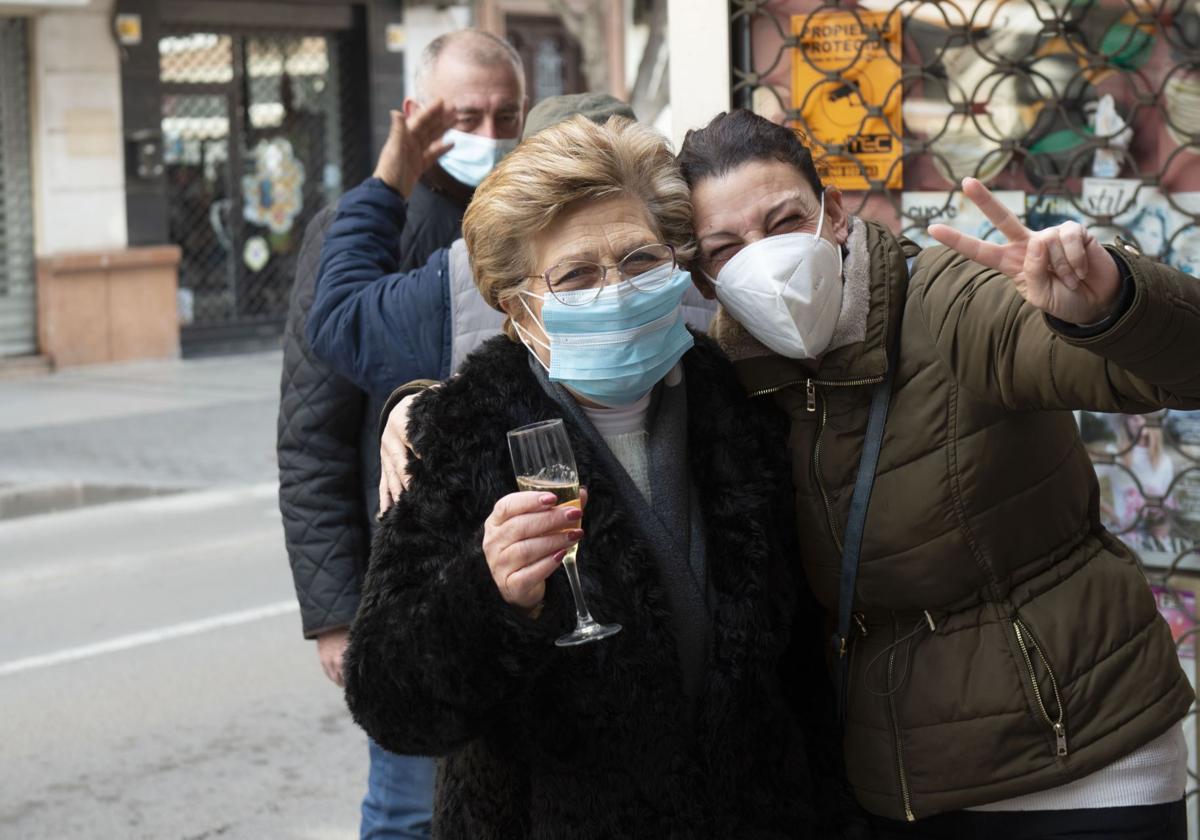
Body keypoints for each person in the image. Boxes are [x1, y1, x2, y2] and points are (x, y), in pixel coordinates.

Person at [676, 109, 1200, 838]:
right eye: (724, 247)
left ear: (831, 214)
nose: (760, 258)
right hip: (901, 785)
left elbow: (1174, 370)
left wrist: (1108, 307)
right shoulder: (729, 378)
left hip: (1080, 757)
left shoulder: (947, 299)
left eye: (784, 220)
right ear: (703, 279)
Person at [332, 114, 847, 838]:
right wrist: (490, 597)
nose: (617, 289)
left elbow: (794, 666)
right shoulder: (460, 434)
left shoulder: (731, 405)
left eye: (639, 260)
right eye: (576, 275)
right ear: (519, 307)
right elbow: (390, 701)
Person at [276, 28, 526, 840]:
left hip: (524, 572)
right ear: (417, 116)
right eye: (468, 115)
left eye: (505, 114)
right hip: (408, 589)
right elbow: (313, 434)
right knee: (408, 810)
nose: (489, 135)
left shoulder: (533, 221)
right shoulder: (358, 232)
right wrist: (336, 613)